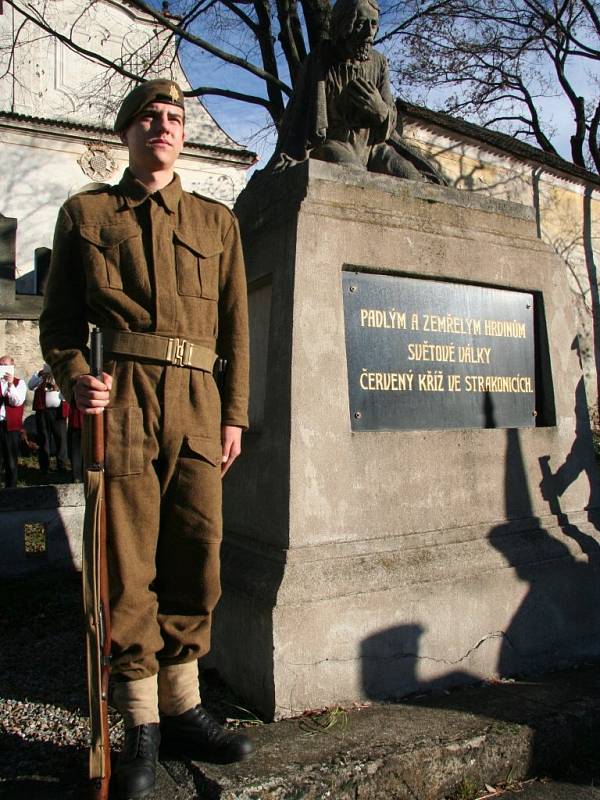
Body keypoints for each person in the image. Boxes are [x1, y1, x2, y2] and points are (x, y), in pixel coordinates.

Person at [39, 78, 251, 799]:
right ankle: (139, 724)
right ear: (127, 133)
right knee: (126, 566)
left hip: (196, 401)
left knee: (197, 554)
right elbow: (60, 324)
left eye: (174, 117)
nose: (163, 126)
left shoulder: (216, 222)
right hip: (122, 396)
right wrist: (75, 378)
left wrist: (234, 413)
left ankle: (184, 708)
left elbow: (235, 328)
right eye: (149, 118)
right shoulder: (87, 213)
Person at [265, 0, 443, 181]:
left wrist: (380, 110)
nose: (369, 33)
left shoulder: (379, 63)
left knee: (414, 180)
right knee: (355, 177)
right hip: (334, 144)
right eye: (359, 24)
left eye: (373, 24)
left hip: (375, 148)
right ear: (343, 25)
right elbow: (303, 121)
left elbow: (390, 123)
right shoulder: (320, 60)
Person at [27, 365, 69, 475]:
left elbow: (69, 390)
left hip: (58, 411)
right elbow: (30, 386)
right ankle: (44, 467)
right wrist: (40, 376)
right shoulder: (40, 373)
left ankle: (62, 466)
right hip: (43, 411)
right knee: (43, 438)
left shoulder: (63, 372)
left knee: (61, 439)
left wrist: (59, 387)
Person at [0, 355, 26, 488]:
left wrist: (10, 384)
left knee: (11, 460)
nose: (3, 368)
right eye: (1, 365)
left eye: (6, 365)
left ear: (12, 366)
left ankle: (11, 489)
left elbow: (17, 401)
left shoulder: (19, 383)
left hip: (11, 426)